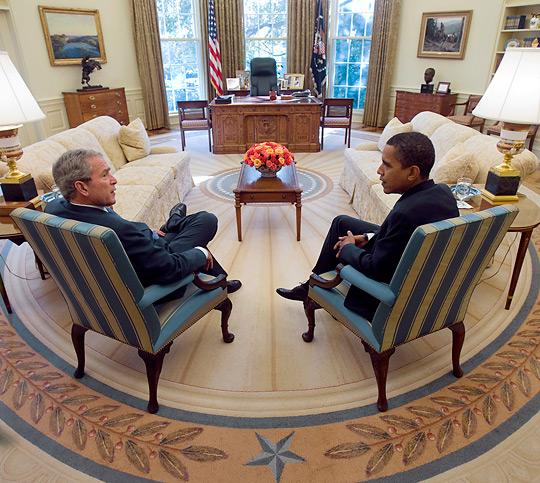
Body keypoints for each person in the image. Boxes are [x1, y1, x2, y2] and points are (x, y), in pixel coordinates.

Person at [276, 132, 459, 319]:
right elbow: (400, 236)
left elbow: (376, 269)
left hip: (384, 293)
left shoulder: (404, 214)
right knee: (342, 222)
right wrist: (367, 237)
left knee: (346, 242)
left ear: (412, 172)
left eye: (387, 165)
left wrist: (348, 247)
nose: (379, 170)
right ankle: (311, 286)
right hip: (409, 259)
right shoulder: (443, 193)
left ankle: (315, 286)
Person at [45, 149, 241, 299]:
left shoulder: (54, 208)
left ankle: (176, 226)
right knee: (206, 223)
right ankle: (218, 280)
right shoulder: (121, 232)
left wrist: (146, 233)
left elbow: (120, 231)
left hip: (143, 254)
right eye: (105, 175)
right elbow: (171, 269)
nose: (114, 180)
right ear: (82, 187)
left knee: (203, 220)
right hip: (156, 278)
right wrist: (201, 253)